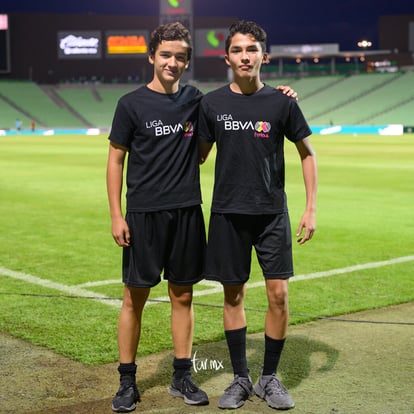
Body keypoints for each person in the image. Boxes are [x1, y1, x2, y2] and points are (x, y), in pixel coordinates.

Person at [106, 21, 297, 413]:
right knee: (133, 298)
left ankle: (181, 375)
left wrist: (284, 93)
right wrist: (116, 214)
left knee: (184, 295)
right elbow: (115, 161)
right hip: (143, 213)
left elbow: (235, 107)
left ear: (187, 61)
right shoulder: (130, 104)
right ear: (151, 57)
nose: (172, 63)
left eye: (179, 57)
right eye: (165, 55)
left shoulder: (197, 101)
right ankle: (127, 380)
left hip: (188, 211)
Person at [198, 20, 318, 411]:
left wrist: (310, 207)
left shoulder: (282, 102)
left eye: (252, 49)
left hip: (271, 214)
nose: (245, 56)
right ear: (227, 56)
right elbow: (196, 155)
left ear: (263, 56)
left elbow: (307, 154)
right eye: (237, 49)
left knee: (279, 295)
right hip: (227, 214)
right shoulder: (211, 103)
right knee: (233, 295)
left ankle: (269, 377)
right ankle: (239, 379)